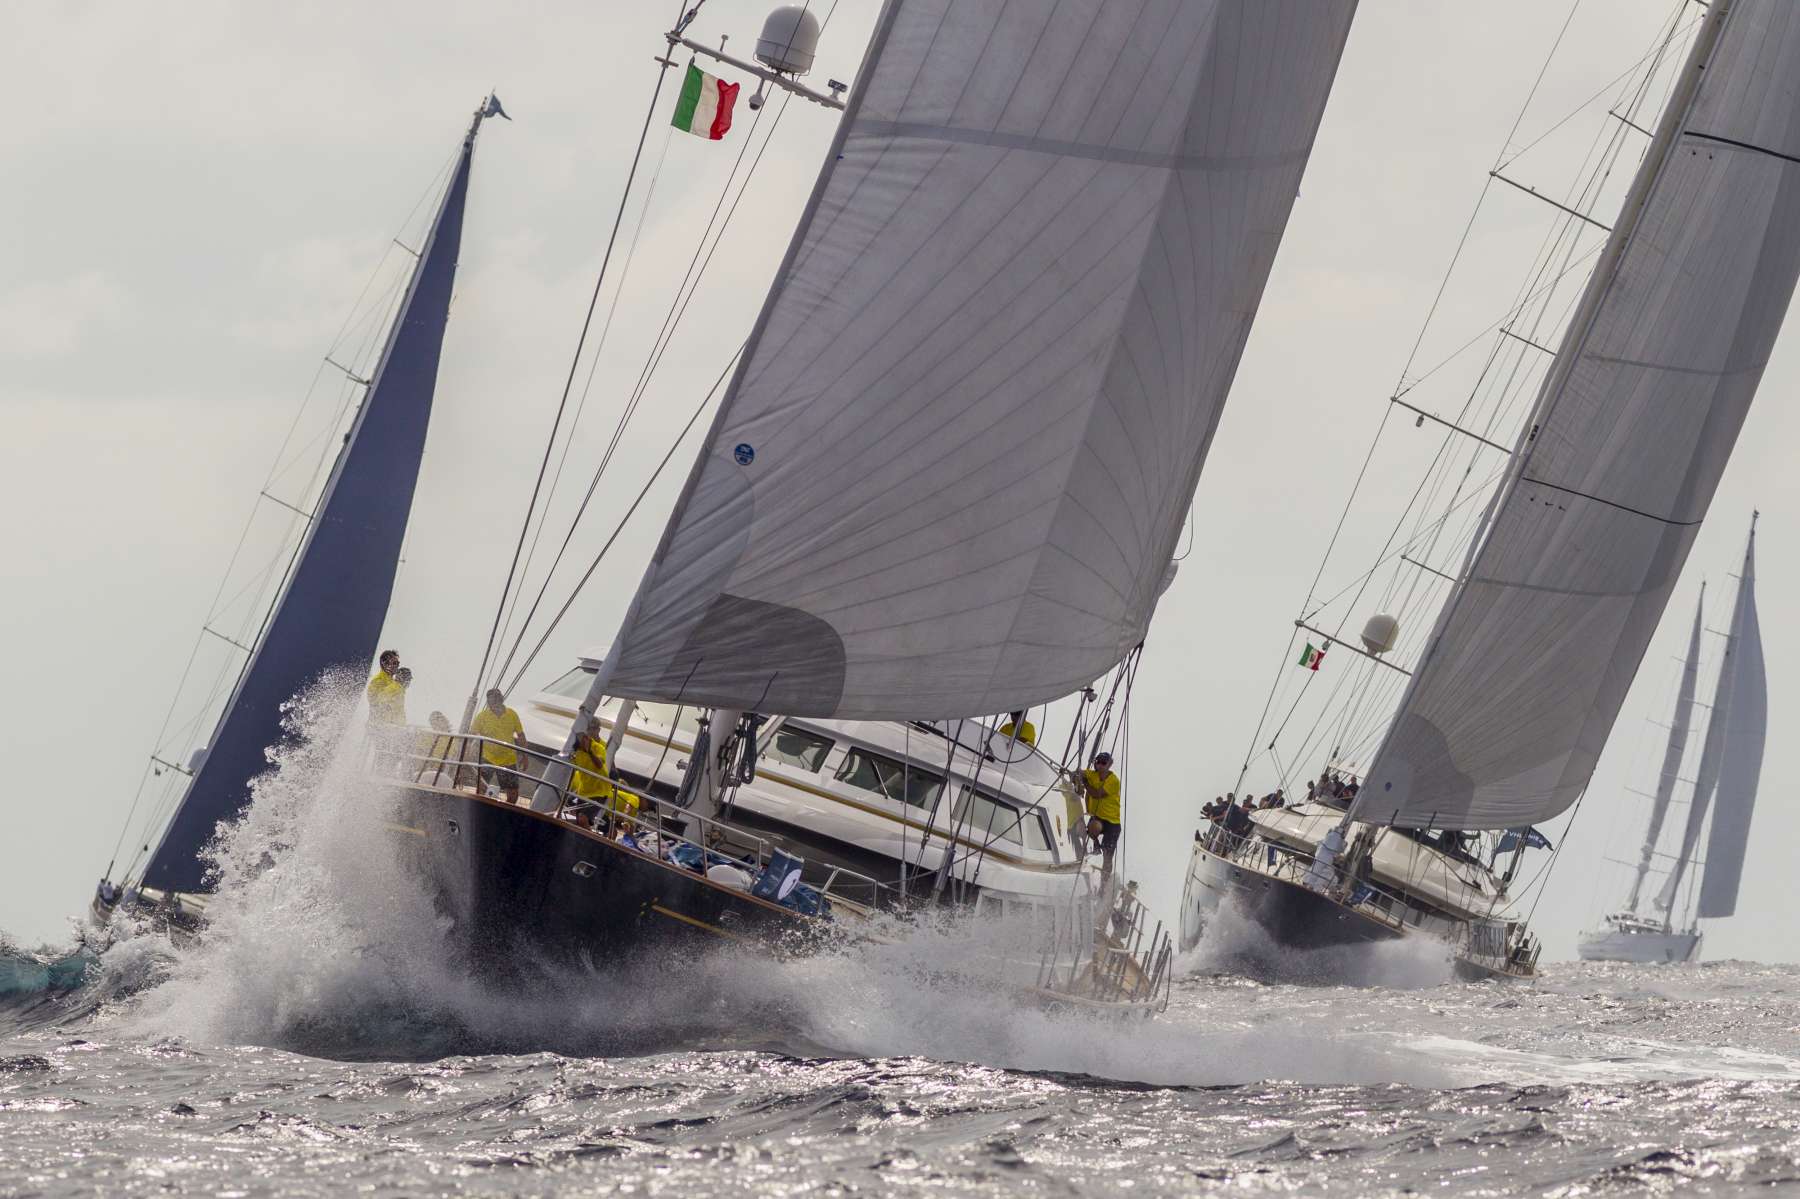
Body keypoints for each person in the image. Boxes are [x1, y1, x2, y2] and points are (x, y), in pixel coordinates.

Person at [570, 717, 636, 830]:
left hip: (599, 789)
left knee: (584, 818)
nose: (588, 732)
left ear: (598, 730)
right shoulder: (579, 748)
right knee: (573, 814)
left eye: (591, 729)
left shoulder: (602, 747)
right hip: (585, 787)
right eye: (587, 729)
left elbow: (606, 766)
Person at [470, 688, 528, 803]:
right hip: (487, 757)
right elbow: (471, 735)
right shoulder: (482, 716)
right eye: (492, 700)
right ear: (488, 702)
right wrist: (467, 752)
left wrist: (525, 756)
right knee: (481, 788)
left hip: (508, 759)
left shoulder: (512, 714)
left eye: (497, 698)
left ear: (501, 699)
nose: (495, 702)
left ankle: (507, 815)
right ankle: (480, 807)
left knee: (513, 794)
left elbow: (521, 735)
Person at [1080, 751, 1123, 880]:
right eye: (1097, 762)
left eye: (1103, 763)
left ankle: (1103, 885)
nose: (1100, 765)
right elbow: (1079, 772)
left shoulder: (1113, 780)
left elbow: (1097, 794)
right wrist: (1078, 775)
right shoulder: (1092, 775)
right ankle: (1096, 844)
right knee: (1093, 827)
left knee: (1108, 857)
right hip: (1099, 818)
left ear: (1109, 765)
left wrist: (1085, 783)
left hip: (1113, 823)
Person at [366, 650, 406, 725]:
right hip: (378, 729)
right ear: (385, 664)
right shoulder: (377, 681)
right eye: (394, 663)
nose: (397, 666)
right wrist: (398, 684)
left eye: (398, 663)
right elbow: (379, 703)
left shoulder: (392, 683)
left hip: (394, 729)